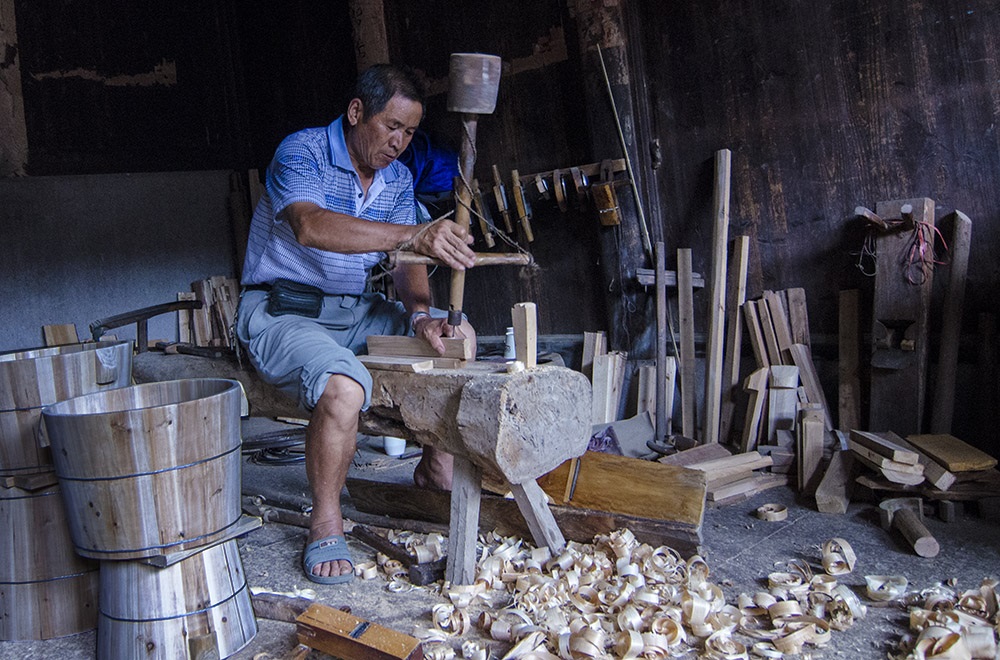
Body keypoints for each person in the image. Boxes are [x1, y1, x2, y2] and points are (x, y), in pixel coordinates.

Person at [236, 64, 477, 585]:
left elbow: (409, 260)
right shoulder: (302, 152)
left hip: (355, 310)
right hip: (284, 311)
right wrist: (410, 235)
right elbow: (310, 225)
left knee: (456, 337)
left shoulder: (397, 179)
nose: (399, 142)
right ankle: (326, 521)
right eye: (391, 126)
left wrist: (420, 315)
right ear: (355, 112)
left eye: (409, 132)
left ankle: (435, 468)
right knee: (344, 386)